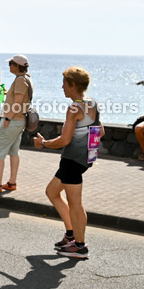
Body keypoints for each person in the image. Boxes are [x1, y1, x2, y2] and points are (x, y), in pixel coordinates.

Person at [33, 66, 102, 260]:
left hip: (72, 161)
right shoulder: (92, 104)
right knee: (52, 192)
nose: (62, 87)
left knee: (75, 205)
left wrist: (44, 143)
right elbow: (100, 132)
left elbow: (64, 140)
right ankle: (71, 234)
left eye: (64, 83)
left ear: (73, 85)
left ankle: (80, 246)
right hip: (82, 160)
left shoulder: (74, 108)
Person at [0, 54, 31, 192]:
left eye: (11, 63)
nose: (9, 66)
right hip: (19, 121)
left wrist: (7, 118)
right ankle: (11, 183)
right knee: (14, 151)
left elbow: (17, 103)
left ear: (17, 66)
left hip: (13, 121)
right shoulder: (26, 79)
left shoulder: (20, 80)